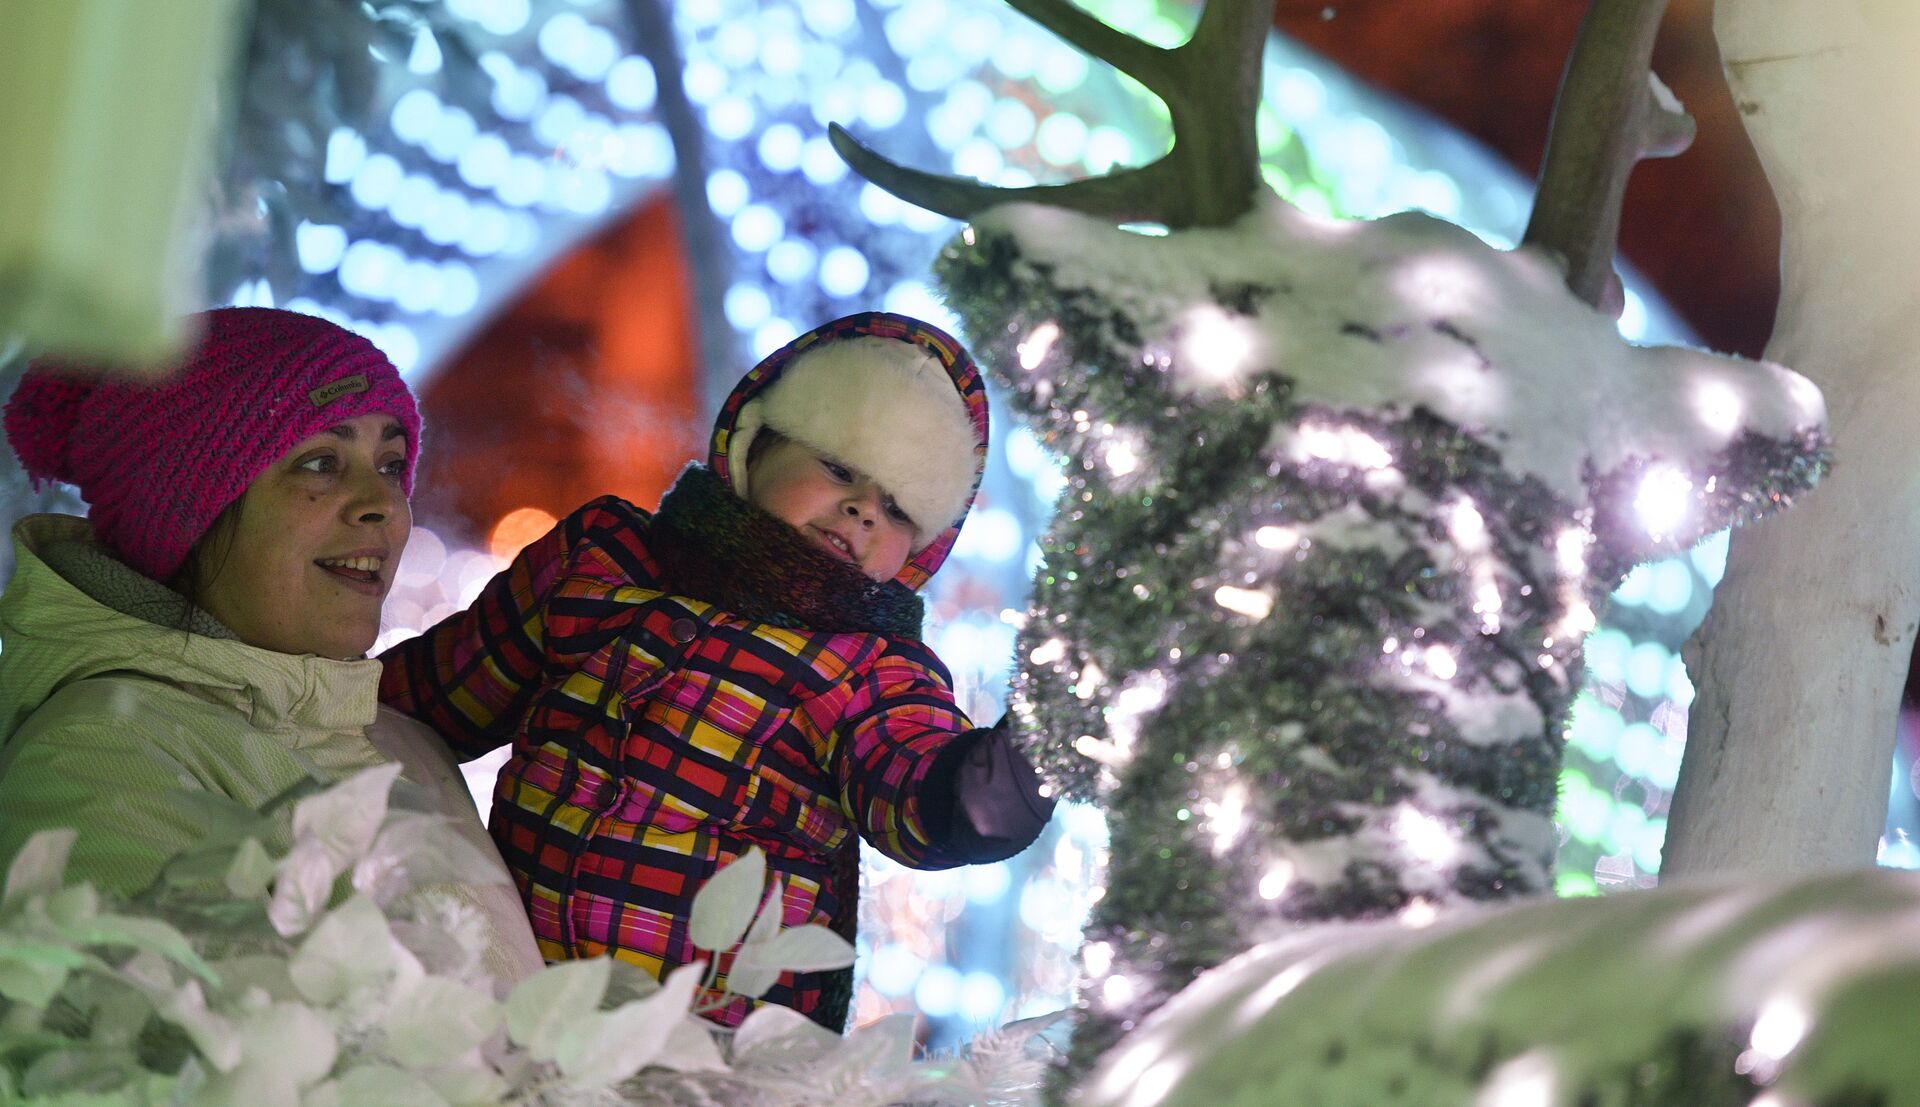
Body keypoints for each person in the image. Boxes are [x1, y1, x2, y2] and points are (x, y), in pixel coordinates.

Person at [380, 311, 1055, 1029]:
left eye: (896, 507)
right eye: (838, 467)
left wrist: (1039, 747)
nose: (861, 509)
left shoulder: (870, 668)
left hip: (706, 1045)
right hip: (504, 991)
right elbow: (435, 695)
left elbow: (923, 793)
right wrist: (300, 692)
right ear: (755, 441)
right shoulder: (603, 560)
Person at [0, 306, 542, 985]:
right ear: (188, 513)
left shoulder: (403, 741)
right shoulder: (100, 758)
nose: (383, 504)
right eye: (321, 463)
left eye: (390, 462)